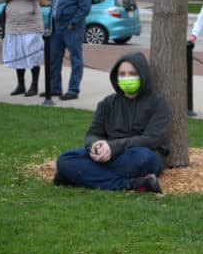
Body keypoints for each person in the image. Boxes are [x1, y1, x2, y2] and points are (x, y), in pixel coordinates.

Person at [53, 52, 170, 192]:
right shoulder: (107, 103)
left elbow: (151, 139)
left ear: (143, 75)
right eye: (122, 74)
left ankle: (75, 175)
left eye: (132, 73)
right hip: (108, 155)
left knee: (140, 159)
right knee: (65, 159)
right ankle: (132, 184)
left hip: (142, 154)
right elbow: (92, 134)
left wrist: (114, 147)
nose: (127, 78)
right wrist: (96, 146)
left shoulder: (158, 104)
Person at [0, 0, 46, 96]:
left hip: (31, 25)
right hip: (13, 25)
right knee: (18, 55)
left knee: (32, 55)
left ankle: (34, 85)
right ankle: (21, 85)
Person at [48, 0, 91, 100]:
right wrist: (49, 24)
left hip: (72, 28)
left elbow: (85, 7)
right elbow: (53, 6)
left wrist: (73, 23)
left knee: (75, 59)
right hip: (56, 28)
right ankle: (55, 89)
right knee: (54, 58)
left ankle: (73, 90)